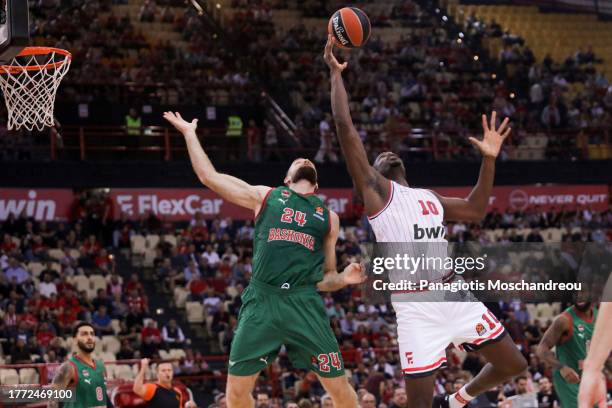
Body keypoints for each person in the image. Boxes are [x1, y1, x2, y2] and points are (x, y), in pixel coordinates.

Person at [324, 36, 527, 408]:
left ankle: (458, 399)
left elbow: (476, 209)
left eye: (391, 152)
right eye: (379, 156)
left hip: (454, 292)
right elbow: (344, 125)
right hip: (416, 306)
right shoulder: (376, 193)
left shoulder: (428, 198)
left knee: (514, 364)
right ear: (373, 173)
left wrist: (489, 159)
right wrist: (336, 75)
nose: (387, 152)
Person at [163, 111, 365, 408]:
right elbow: (210, 177)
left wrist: (344, 279)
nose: (306, 160)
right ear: (286, 179)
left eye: (309, 162)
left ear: (317, 186)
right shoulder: (265, 197)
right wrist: (189, 134)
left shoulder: (328, 218)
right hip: (262, 301)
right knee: (235, 394)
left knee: (341, 389)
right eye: (298, 161)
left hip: (303, 303)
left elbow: (325, 279)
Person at [537, 302, 599, 408]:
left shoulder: (599, 316)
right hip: (568, 381)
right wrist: (562, 367)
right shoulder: (564, 320)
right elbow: (542, 349)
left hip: (590, 378)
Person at [48, 322, 110, 408]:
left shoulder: (101, 366)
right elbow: (52, 402)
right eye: (84, 334)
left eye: (92, 334)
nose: (89, 337)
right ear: (75, 340)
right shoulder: (68, 367)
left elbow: (103, 397)